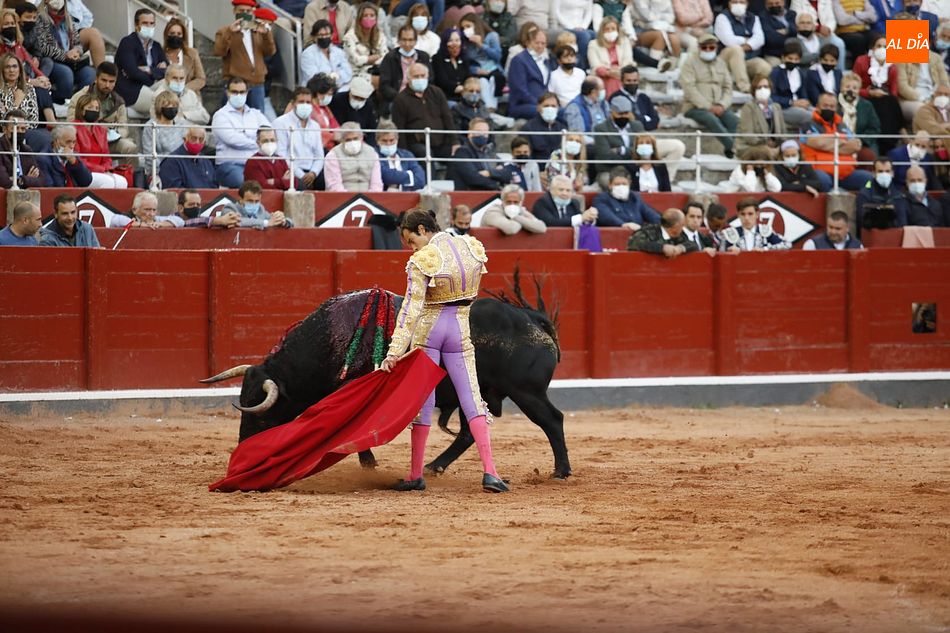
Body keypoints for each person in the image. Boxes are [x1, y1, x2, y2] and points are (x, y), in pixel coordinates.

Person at [380, 209, 507, 493]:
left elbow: (411, 310)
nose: (413, 248)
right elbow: (472, 295)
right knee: (472, 398)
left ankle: (415, 474)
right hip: (460, 328)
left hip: (430, 330)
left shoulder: (423, 259)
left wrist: (394, 352)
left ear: (423, 229)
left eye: (412, 240)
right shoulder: (471, 246)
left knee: (424, 400)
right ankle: (491, 473)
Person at [801, 91, 873, 191]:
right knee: (822, 181)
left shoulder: (841, 125)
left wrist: (827, 145)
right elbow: (817, 142)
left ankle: (863, 202)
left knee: (869, 180)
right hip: (821, 170)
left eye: (832, 106)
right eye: (825, 106)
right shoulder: (808, 124)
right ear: (817, 106)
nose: (829, 109)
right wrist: (841, 141)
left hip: (845, 173)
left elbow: (855, 146)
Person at [67, 61, 137, 165]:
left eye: (111, 81)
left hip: (109, 142)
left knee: (130, 147)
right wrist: (96, 129)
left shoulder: (119, 101)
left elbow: (124, 128)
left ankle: (129, 178)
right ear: (96, 78)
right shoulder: (80, 97)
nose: (107, 85)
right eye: (104, 80)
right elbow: (71, 123)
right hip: (84, 142)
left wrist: (112, 133)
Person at [681, 33, 739, 158]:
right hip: (695, 107)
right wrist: (708, 106)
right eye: (704, 47)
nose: (708, 50)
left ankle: (729, 152)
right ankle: (736, 149)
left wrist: (722, 105)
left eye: (711, 48)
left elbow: (728, 87)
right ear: (699, 47)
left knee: (734, 121)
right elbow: (689, 88)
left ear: (716, 48)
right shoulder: (689, 63)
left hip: (719, 106)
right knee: (712, 119)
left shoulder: (721, 63)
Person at [214, 0, 277, 112]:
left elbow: (270, 51)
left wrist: (266, 34)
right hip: (235, 83)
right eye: (241, 11)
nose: (245, 14)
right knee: (231, 116)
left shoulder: (257, 31)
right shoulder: (224, 30)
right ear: (234, 11)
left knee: (257, 118)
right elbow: (219, 51)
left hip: (257, 82)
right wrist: (230, 32)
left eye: (248, 11)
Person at [28, 0, 95, 104]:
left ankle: (82, 103)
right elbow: (42, 47)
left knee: (90, 73)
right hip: (52, 61)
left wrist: (77, 51)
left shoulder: (68, 18)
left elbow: (77, 42)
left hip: (72, 61)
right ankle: (61, 101)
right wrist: (65, 55)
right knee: (66, 73)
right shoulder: (40, 18)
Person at [212, 76, 271, 188]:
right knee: (246, 183)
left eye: (242, 92)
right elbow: (233, 140)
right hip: (230, 166)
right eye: (234, 92)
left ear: (247, 93)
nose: (238, 95)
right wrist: (258, 142)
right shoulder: (220, 115)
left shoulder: (256, 114)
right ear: (227, 92)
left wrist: (250, 138)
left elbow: (269, 134)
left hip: (257, 165)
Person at [0, 7, 54, 126]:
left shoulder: (18, 45)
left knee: (47, 64)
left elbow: (31, 64)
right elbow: (8, 73)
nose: (10, 27)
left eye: (13, 23)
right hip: (9, 82)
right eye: (6, 24)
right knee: (39, 89)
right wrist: (31, 81)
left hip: (26, 76)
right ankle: (51, 122)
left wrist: (43, 78)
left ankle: (52, 123)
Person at [391, 62, 456, 160]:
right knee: (425, 153)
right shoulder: (401, 99)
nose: (420, 79)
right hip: (417, 144)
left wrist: (455, 142)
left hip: (441, 142)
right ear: (408, 79)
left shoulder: (437, 92)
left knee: (458, 153)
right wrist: (403, 153)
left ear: (428, 76)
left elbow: (447, 118)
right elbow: (399, 128)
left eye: (422, 76)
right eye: (416, 76)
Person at [852, 33, 903, 155]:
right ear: (872, 48)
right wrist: (870, 92)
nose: (882, 49)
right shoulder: (861, 61)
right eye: (878, 46)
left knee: (891, 102)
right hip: (866, 97)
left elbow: (894, 90)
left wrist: (886, 95)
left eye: (885, 46)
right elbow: (853, 86)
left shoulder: (892, 65)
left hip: (885, 98)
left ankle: (889, 140)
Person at [114, 8, 166, 117]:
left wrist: (149, 70)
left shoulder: (156, 46)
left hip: (150, 86)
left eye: (151, 23)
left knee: (171, 84)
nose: (149, 26)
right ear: (136, 25)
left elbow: (168, 71)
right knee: (162, 102)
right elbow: (133, 72)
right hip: (131, 89)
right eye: (145, 23)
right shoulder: (127, 42)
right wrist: (155, 74)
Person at [713, 0, 771, 92]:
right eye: (734, 2)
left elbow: (760, 39)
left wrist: (745, 44)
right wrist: (747, 40)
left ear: (747, 4)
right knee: (736, 49)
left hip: (747, 59)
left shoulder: (753, 18)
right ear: (729, 3)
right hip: (725, 59)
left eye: (741, 2)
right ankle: (745, 87)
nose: (738, 4)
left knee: (764, 67)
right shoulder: (722, 17)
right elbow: (728, 40)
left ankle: (759, 89)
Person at [72, 93, 128, 188]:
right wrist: (102, 169)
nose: (94, 110)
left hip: (101, 171)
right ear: (81, 110)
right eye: (90, 107)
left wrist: (105, 169)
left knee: (122, 182)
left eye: (97, 108)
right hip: (83, 172)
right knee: (108, 182)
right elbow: (78, 159)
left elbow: (106, 157)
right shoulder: (73, 128)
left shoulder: (101, 130)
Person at [274, 86, 325, 190]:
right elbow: (281, 155)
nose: (305, 105)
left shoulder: (315, 125)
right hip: (290, 170)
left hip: (312, 171)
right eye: (301, 102)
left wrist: (313, 173)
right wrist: (301, 175)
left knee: (326, 181)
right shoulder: (280, 123)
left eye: (308, 102)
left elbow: (319, 155)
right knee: (300, 184)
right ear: (293, 103)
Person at [450, 117, 514, 191]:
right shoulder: (462, 152)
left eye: (485, 132)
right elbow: (473, 178)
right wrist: (496, 181)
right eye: (479, 131)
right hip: (472, 195)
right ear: (469, 134)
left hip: (492, 194)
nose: (483, 135)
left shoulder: (490, 152)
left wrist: (489, 173)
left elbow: (507, 174)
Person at [507, 24, 555, 119]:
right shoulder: (519, 60)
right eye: (537, 43)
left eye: (543, 43)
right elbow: (520, 90)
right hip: (523, 105)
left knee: (564, 112)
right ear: (528, 43)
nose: (540, 46)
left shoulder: (546, 61)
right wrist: (540, 104)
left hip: (543, 104)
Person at [459, 13, 504, 110]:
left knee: (493, 80)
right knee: (482, 82)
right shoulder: (464, 42)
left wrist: (481, 45)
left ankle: (492, 108)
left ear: (476, 25)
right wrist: (475, 70)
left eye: (468, 26)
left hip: (494, 70)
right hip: (477, 71)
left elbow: (498, 56)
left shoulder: (492, 36)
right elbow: (465, 62)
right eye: (463, 28)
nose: (465, 30)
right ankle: (489, 108)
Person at [591, 166, 661, 230]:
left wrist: (664, 223)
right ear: (610, 185)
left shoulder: (635, 197)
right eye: (617, 184)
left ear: (629, 184)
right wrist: (623, 224)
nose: (621, 187)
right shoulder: (601, 199)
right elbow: (606, 217)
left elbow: (650, 214)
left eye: (624, 184)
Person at [896, 42, 950, 124]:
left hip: (935, 96)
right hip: (911, 99)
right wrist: (923, 99)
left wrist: (940, 97)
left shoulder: (936, 58)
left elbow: (944, 82)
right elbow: (902, 87)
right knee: (923, 110)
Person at [379, 24, 431, 109]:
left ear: (415, 41)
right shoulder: (390, 58)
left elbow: (430, 80)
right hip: (397, 99)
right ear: (398, 40)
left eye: (410, 40)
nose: (407, 44)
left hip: (421, 97)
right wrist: (401, 98)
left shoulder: (423, 57)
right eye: (404, 40)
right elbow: (384, 86)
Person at [736, 73, 787, 158]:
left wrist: (779, 147)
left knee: (790, 150)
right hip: (752, 147)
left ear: (770, 88)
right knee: (766, 154)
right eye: (759, 87)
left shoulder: (776, 107)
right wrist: (765, 144)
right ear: (754, 90)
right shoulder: (748, 108)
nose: (763, 89)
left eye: (766, 87)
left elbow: (783, 133)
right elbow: (748, 135)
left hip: (774, 146)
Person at [323, 121, 383, 192]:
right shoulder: (333, 156)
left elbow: (376, 184)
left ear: (361, 137)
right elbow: (334, 186)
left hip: (370, 198)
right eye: (348, 140)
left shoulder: (372, 153)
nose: (352, 142)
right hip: (342, 199)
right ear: (341, 141)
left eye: (355, 138)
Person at [768, 40, 813, 131]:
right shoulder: (776, 72)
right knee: (812, 116)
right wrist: (791, 102)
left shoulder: (799, 72)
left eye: (796, 59)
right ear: (783, 58)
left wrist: (804, 101)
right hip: (783, 108)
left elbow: (803, 93)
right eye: (790, 58)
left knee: (819, 112)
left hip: (799, 106)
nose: (793, 61)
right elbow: (772, 97)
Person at [838, 71, 881, 161]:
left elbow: (875, 128)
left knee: (868, 155)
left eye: (854, 88)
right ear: (841, 88)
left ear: (859, 90)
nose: (851, 90)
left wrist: (860, 141)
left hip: (861, 143)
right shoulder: (834, 103)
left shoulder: (866, 105)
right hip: (838, 142)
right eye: (847, 87)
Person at [719, 197, 790, 251]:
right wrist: (729, 252)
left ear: (757, 214)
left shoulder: (764, 231)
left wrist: (765, 249)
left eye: (750, 214)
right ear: (738, 215)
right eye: (743, 214)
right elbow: (721, 253)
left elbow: (787, 244)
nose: (746, 218)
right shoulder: (730, 233)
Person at [587, 16, 634, 99]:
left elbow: (628, 60)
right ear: (602, 31)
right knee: (612, 80)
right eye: (607, 29)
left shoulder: (624, 41)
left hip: (621, 73)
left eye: (613, 29)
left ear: (618, 30)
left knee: (620, 79)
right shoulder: (593, 44)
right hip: (602, 76)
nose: (610, 31)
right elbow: (595, 66)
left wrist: (619, 71)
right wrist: (609, 72)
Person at [140, 90, 183, 179]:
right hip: (160, 171)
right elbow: (149, 155)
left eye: (174, 105)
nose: (171, 108)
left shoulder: (182, 125)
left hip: (182, 169)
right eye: (167, 105)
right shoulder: (150, 126)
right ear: (160, 107)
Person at [151, 63, 209, 127]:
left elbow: (205, 117)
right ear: (167, 78)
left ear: (185, 79)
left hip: (191, 134)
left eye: (181, 78)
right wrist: (193, 116)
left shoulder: (191, 94)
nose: (178, 81)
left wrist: (184, 115)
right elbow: (157, 120)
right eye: (175, 78)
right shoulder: (158, 95)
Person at [300, 18, 353, 88]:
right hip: (316, 91)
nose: (324, 37)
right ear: (315, 37)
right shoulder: (307, 54)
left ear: (331, 36)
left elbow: (348, 72)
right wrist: (334, 76)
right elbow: (314, 78)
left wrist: (336, 77)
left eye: (327, 34)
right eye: (321, 35)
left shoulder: (338, 51)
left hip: (339, 87)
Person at [220, 179, 293, 229]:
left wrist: (282, 221)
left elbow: (290, 222)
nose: (254, 204)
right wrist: (266, 223)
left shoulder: (260, 210)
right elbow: (238, 221)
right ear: (240, 199)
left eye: (257, 201)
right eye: (250, 201)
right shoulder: (230, 208)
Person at [627, 208, 699, 258]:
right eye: (682, 225)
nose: (683, 227)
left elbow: (693, 244)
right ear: (676, 227)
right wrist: (662, 248)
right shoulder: (648, 231)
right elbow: (635, 243)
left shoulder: (680, 234)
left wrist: (680, 248)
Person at [532, 174, 599, 227]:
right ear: (551, 190)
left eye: (568, 190)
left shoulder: (574, 203)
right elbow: (551, 223)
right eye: (561, 190)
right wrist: (581, 218)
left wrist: (589, 217)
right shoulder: (542, 203)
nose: (565, 193)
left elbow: (581, 221)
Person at [328, 74, 378, 145]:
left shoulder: (369, 104)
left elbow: (372, 130)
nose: (358, 100)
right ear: (350, 93)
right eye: (356, 97)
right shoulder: (336, 100)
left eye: (362, 99)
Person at [376, 120, 425, 191]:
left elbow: (421, 180)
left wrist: (399, 187)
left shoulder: (407, 155)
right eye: (384, 141)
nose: (388, 144)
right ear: (377, 141)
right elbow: (386, 176)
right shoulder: (374, 155)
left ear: (397, 140)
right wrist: (410, 175)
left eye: (391, 140)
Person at [342, 1, 387, 79]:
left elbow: (385, 56)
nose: (369, 18)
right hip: (356, 73)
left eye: (372, 15)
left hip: (377, 70)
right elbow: (356, 60)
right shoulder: (349, 37)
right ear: (359, 18)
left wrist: (371, 61)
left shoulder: (380, 34)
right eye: (365, 15)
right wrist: (370, 58)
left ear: (376, 18)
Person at [480, 183, 547, 234]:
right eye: (509, 202)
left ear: (520, 202)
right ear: (503, 201)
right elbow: (511, 229)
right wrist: (516, 217)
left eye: (515, 202)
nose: (512, 205)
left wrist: (517, 217)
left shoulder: (521, 210)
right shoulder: (493, 212)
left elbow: (542, 227)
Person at [855, 157, 900, 232]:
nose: (884, 174)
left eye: (887, 171)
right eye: (880, 171)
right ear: (873, 173)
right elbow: (863, 221)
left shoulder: (898, 195)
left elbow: (902, 221)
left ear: (892, 173)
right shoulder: (864, 194)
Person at [0, 108, 42, 188]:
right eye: (15, 128)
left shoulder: (26, 150)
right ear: (5, 130)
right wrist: (28, 179)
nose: (19, 131)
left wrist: (22, 180)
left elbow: (41, 181)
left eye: (23, 129)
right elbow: (4, 182)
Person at [162, 17, 205, 94]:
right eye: (172, 33)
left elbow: (201, 79)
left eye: (179, 34)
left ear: (183, 36)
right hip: (166, 96)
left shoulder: (192, 53)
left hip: (188, 95)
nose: (175, 36)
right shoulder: (160, 54)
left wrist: (184, 89)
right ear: (166, 35)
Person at [521, 91, 566, 163]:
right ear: (538, 107)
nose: (550, 109)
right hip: (538, 170)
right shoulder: (528, 128)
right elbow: (526, 154)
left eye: (553, 106)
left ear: (558, 108)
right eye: (546, 106)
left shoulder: (563, 128)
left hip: (560, 169)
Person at [244, 126, 291, 190]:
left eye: (272, 140)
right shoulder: (253, 162)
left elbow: (294, 183)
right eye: (265, 141)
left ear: (276, 140)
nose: (269, 143)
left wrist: (274, 181)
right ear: (258, 142)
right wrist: (283, 182)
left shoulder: (281, 160)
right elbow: (261, 187)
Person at [831, 0, 878, 64]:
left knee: (875, 37)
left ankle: (876, 66)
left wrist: (856, 14)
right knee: (858, 39)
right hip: (845, 32)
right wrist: (862, 19)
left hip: (863, 30)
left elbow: (873, 17)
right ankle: (859, 67)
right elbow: (842, 20)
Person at [431, 28, 469, 103]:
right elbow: (442, 81)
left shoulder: (464, 58)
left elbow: (468, 77)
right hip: (446, 98)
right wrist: (460, 88)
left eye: (457, 40)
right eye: (450, 41)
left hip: (464, 96)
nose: (454, 44)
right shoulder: (437, 58)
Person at [110, 191, 183, 229]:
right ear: (135, 210)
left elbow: (180, 221)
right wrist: (140, 225)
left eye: (154, 210)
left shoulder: (156, 220)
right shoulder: (127, 217)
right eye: (147, 210)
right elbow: (115, 220)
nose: (151, 214)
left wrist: (160, 224)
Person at [176, 189, 241, 229]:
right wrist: (219, 220)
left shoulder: (200, 219)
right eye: (191, 204)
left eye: (198, 205)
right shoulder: (173, 219)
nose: (195, 207)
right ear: (180, 208)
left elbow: (200, 221)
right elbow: (184, 223)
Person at [309, 72, 341, 151]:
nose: (330, 97)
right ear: (319, 93)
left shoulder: (325, 109)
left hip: (331, 148)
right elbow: (310, 132)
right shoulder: (307, 108)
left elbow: (336, 126)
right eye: (329, 94)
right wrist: (333, 136)